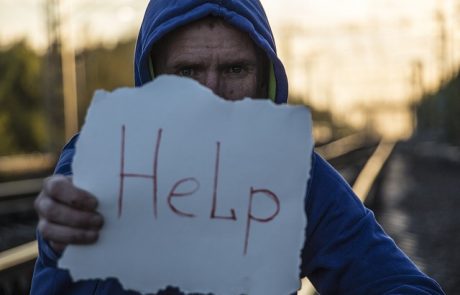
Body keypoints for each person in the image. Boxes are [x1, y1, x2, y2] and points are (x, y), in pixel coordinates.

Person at [31, 0, 445, 294]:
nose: (211, 94)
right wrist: (59, 236)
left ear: (263, 80)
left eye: (234, 69)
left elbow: (398, 283)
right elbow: (68, 214)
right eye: (187, 70)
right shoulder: (105, 158)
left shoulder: (294, 175)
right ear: (153, 78)